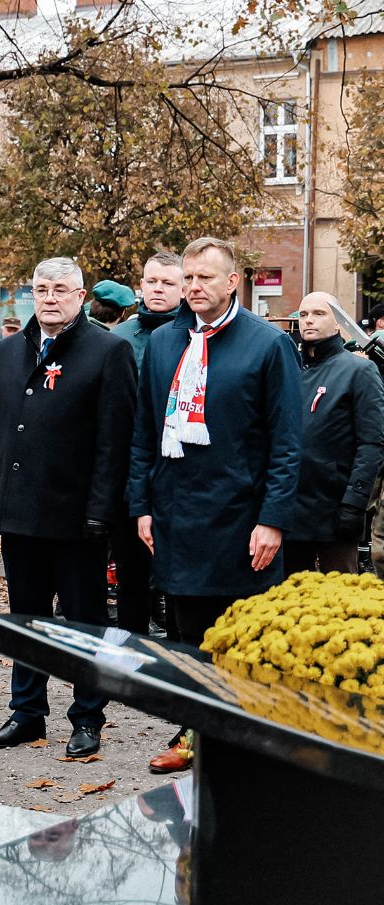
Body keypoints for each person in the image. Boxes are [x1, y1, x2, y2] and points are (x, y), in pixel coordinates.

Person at [129, 236, 301, 774]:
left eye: (205, 277)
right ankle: (196, 733)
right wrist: (141, 505)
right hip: (177, 515)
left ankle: (249, 739)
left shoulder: (267, 345)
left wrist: (272, 519)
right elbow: (144, 432)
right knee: (186, 636)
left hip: (242, 519)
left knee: (243, 637)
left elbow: (287, 443)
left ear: (232, 282)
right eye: (188, 277)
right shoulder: (164, 342)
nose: (194, 286)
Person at [0, 257, 137, 759]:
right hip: (19, 510)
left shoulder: (109, 351)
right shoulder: (6, 351)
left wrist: (102, 509)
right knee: (27, 618)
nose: (50, 298)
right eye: (42, 289)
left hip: (77, 516)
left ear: (81, 297)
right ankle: (27, 713)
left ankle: (87, 716)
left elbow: (115, 442)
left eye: (61, 289)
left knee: (85, 621)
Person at [110, 252, 185, 634]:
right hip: (129, 476)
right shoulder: (119, 338)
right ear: (140, 285)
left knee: (178, 580)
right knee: (132, 575)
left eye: (168, 283)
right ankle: (132, 651)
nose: (158, 289)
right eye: (152, 281)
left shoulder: (195, 336)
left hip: (179, 475)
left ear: (183, 288)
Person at [284, 292, 384, 575]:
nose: (309, 320)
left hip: (336, 508)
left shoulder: (359, 370)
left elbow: (372, 443)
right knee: (291, 594)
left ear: (339, 322)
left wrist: (354, 504)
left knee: (338, 593)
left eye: (319, 313)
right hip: (290, 509)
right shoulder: (289, 370)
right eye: (304, 315)